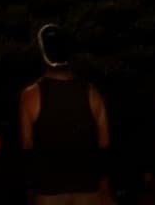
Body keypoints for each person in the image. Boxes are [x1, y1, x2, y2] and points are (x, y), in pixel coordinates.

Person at [18, 25, 111, 205]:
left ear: (43, 53)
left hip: (48, 191)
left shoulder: (30, 96)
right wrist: (104, 183)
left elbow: (27, 146)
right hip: (88, 188)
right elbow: (104, 143)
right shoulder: (92, 93)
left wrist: (30, 188)